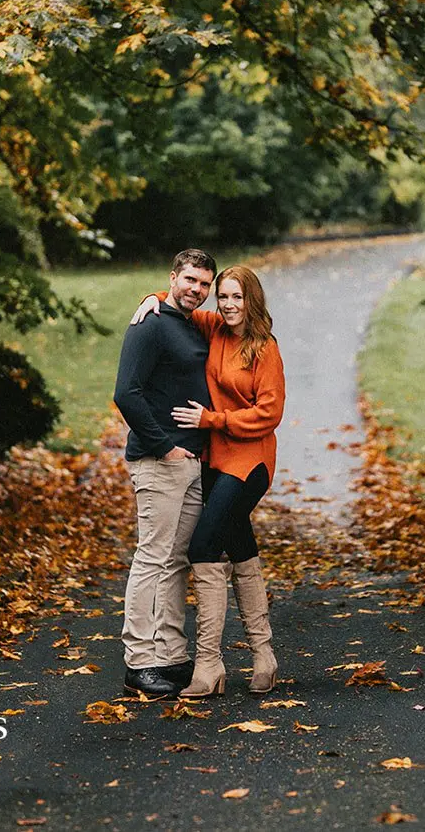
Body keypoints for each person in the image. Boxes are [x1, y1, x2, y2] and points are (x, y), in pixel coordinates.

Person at [132, 264, 284, 696]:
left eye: (237, 297)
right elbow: (176, 302)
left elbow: (270, 414)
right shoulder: (215, 327)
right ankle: (263, 656)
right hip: (216, 460)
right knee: (239, 545)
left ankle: (209, 664)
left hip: (250, 460)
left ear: (252, 300)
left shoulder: (264, 347)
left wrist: (211, 418)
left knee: (202, 545)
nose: (229, 305)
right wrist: (151, 297)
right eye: (224, 297)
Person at [112, 248, 217, 698]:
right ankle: (138, 661)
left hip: (192, 461)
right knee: (152, 557)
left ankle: (170, 654)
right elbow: (126, 393)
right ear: (173, 277)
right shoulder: (149, 323)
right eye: (190, 280)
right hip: (161, 461)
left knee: (176, 560)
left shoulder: (189, 323)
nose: (196, 289)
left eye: (204, 284)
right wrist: (164, 446)